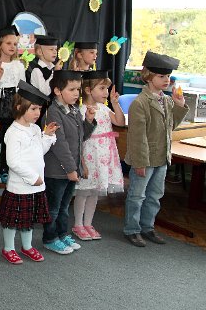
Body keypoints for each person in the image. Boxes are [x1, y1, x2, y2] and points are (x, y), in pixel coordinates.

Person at [123, 52, 188, 246]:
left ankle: (147, 227)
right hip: (144, 158)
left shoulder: (167, 100)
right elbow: (137, 137)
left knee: (154, 196)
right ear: (149, 76)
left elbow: (171, 126)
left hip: (161, 157)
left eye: (168, 76)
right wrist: (140, 163)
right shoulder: (140, 103)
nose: (166, 80)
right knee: (137, 196)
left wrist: (179, 105)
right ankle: (132, 229)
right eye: (161, 76)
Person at [0, 81, 58, 264]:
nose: (37, 113)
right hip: (20, 187)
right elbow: (13, 161)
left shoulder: (35, 128)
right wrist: (32, 178)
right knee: (12, 221)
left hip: (36, 185)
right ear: (19, 107)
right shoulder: (13, 132)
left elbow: (39, 151)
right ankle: (8, 248)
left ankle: (27, 246)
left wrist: (47, 137)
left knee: (28, 219)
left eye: (39, 109)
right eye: (33, 109)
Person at [42, 70, 96, 255]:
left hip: (71, 169)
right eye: (71, 89)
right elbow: (60, 144)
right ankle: (50, 238)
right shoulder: (53, 112)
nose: (76, 93)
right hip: (57, 171)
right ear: (57, 91)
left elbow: (81, 137)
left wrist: (88, 121)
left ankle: (61, 234)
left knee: (64, 207)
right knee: (54, 208)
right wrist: (71, 169)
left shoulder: (73, 109)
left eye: (78, 89)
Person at [72, 70, 125, 241]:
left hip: (103, 157)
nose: (106, 93)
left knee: (95, 191)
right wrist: (81, 163)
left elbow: (120, 122)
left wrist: (115, 104)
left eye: (106, 89)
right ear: (88, 90)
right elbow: (79, 140)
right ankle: (78, 224)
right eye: (102, 88)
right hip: (89, 156)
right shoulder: (81, 111)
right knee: (83, 192)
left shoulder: (104, 108)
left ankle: (88, 223)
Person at [0, 25, 26, 177]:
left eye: (15, 44)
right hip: (0, 104)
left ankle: (14, 167)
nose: (12, 46)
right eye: (8, 43)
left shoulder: (18, 65)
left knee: (15, 137)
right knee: (1, 137)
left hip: (16, 103)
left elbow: (23, 87)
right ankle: (1, 168)